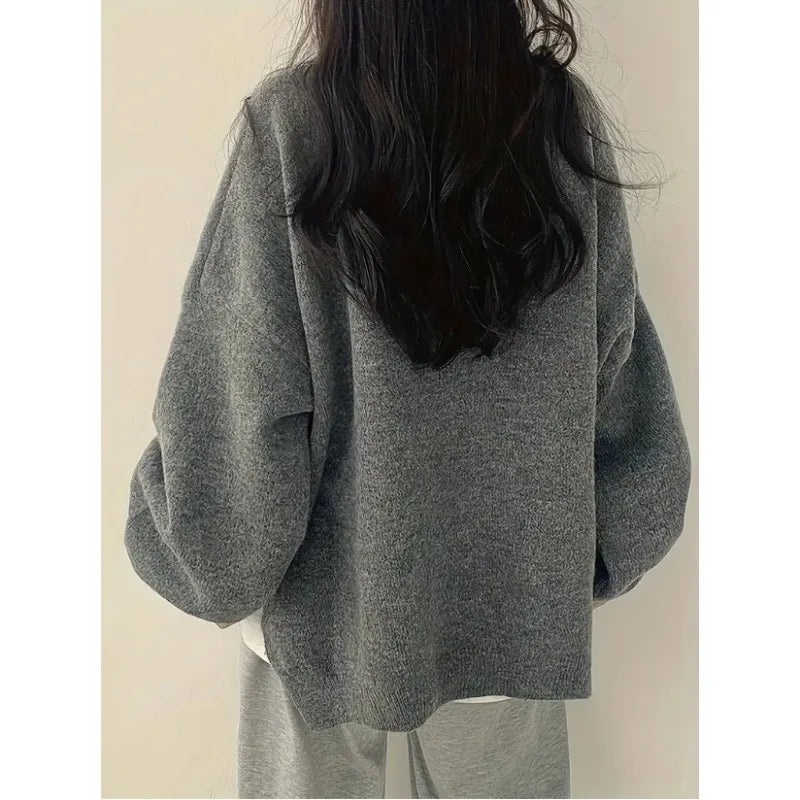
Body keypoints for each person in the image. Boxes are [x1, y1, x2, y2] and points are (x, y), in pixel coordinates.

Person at [123, 1, 691, 797]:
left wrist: (203, 557)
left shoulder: (291, 126)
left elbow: (242, 395)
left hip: (322, 608)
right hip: (507, 600)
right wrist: (575, 559)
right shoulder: (557, 124)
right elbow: (615, 368)